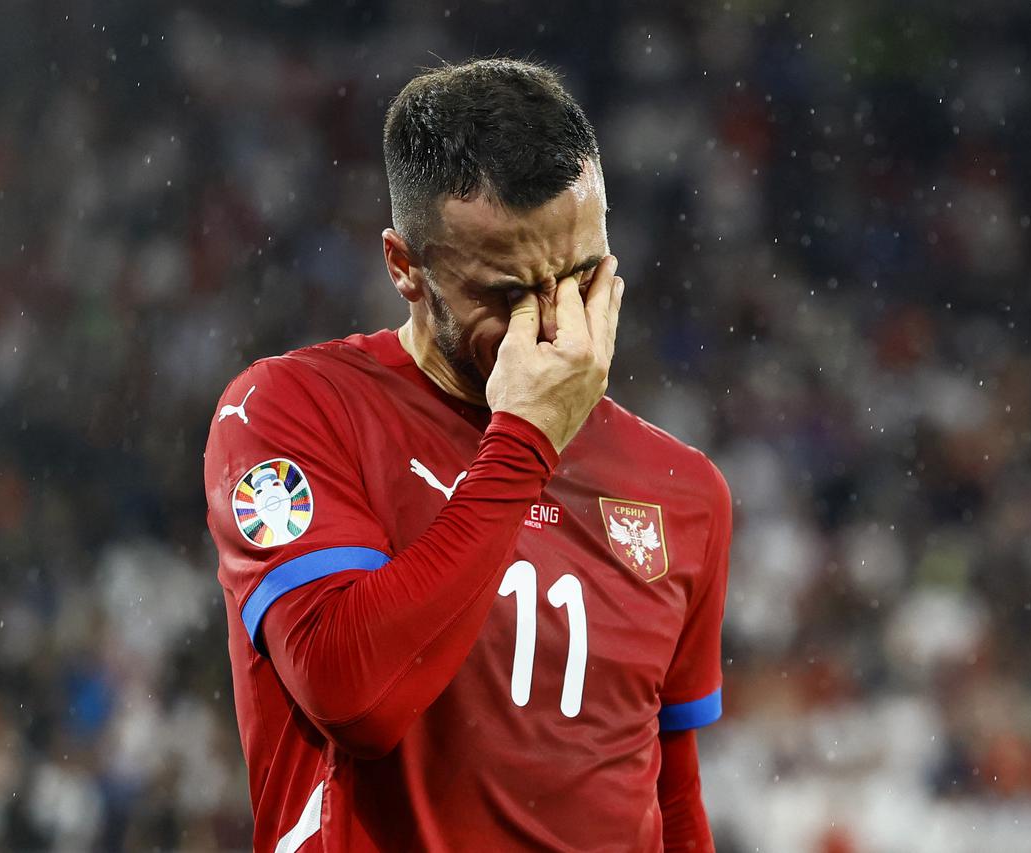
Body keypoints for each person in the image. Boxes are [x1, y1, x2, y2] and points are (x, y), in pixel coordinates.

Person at [204, 58, 733, 853]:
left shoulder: (681, 489)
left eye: (580, 275)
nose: (553, 321)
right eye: (509, 293)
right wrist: (524, 441)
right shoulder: (292, 410)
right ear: (404, 267)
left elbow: (673, 793)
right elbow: (354, 695)